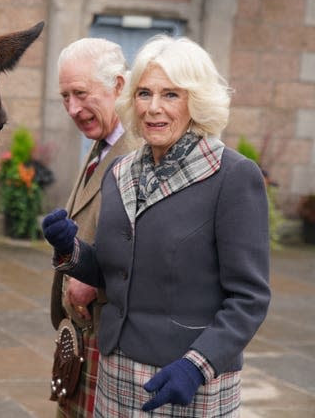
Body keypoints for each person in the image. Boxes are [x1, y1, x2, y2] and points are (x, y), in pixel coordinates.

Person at [42, 34, 271, 417]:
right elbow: (117, 271)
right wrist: (72, 250)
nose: (153, 108)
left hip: (188, 381)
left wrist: (196, 366)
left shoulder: (232, 176)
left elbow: (249, 298)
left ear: (196, 101)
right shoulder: (120, 171)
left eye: (170, 95)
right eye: (144, 93)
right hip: (117, 372)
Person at [49, 38, 139, 417]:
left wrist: (96, 277)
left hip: (111, 336)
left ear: (119, 86)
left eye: (81, 93)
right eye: (65, 96)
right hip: (82, 335)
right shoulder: (103, 141)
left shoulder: (138, 152)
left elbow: (153, 246)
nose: (73, 108)